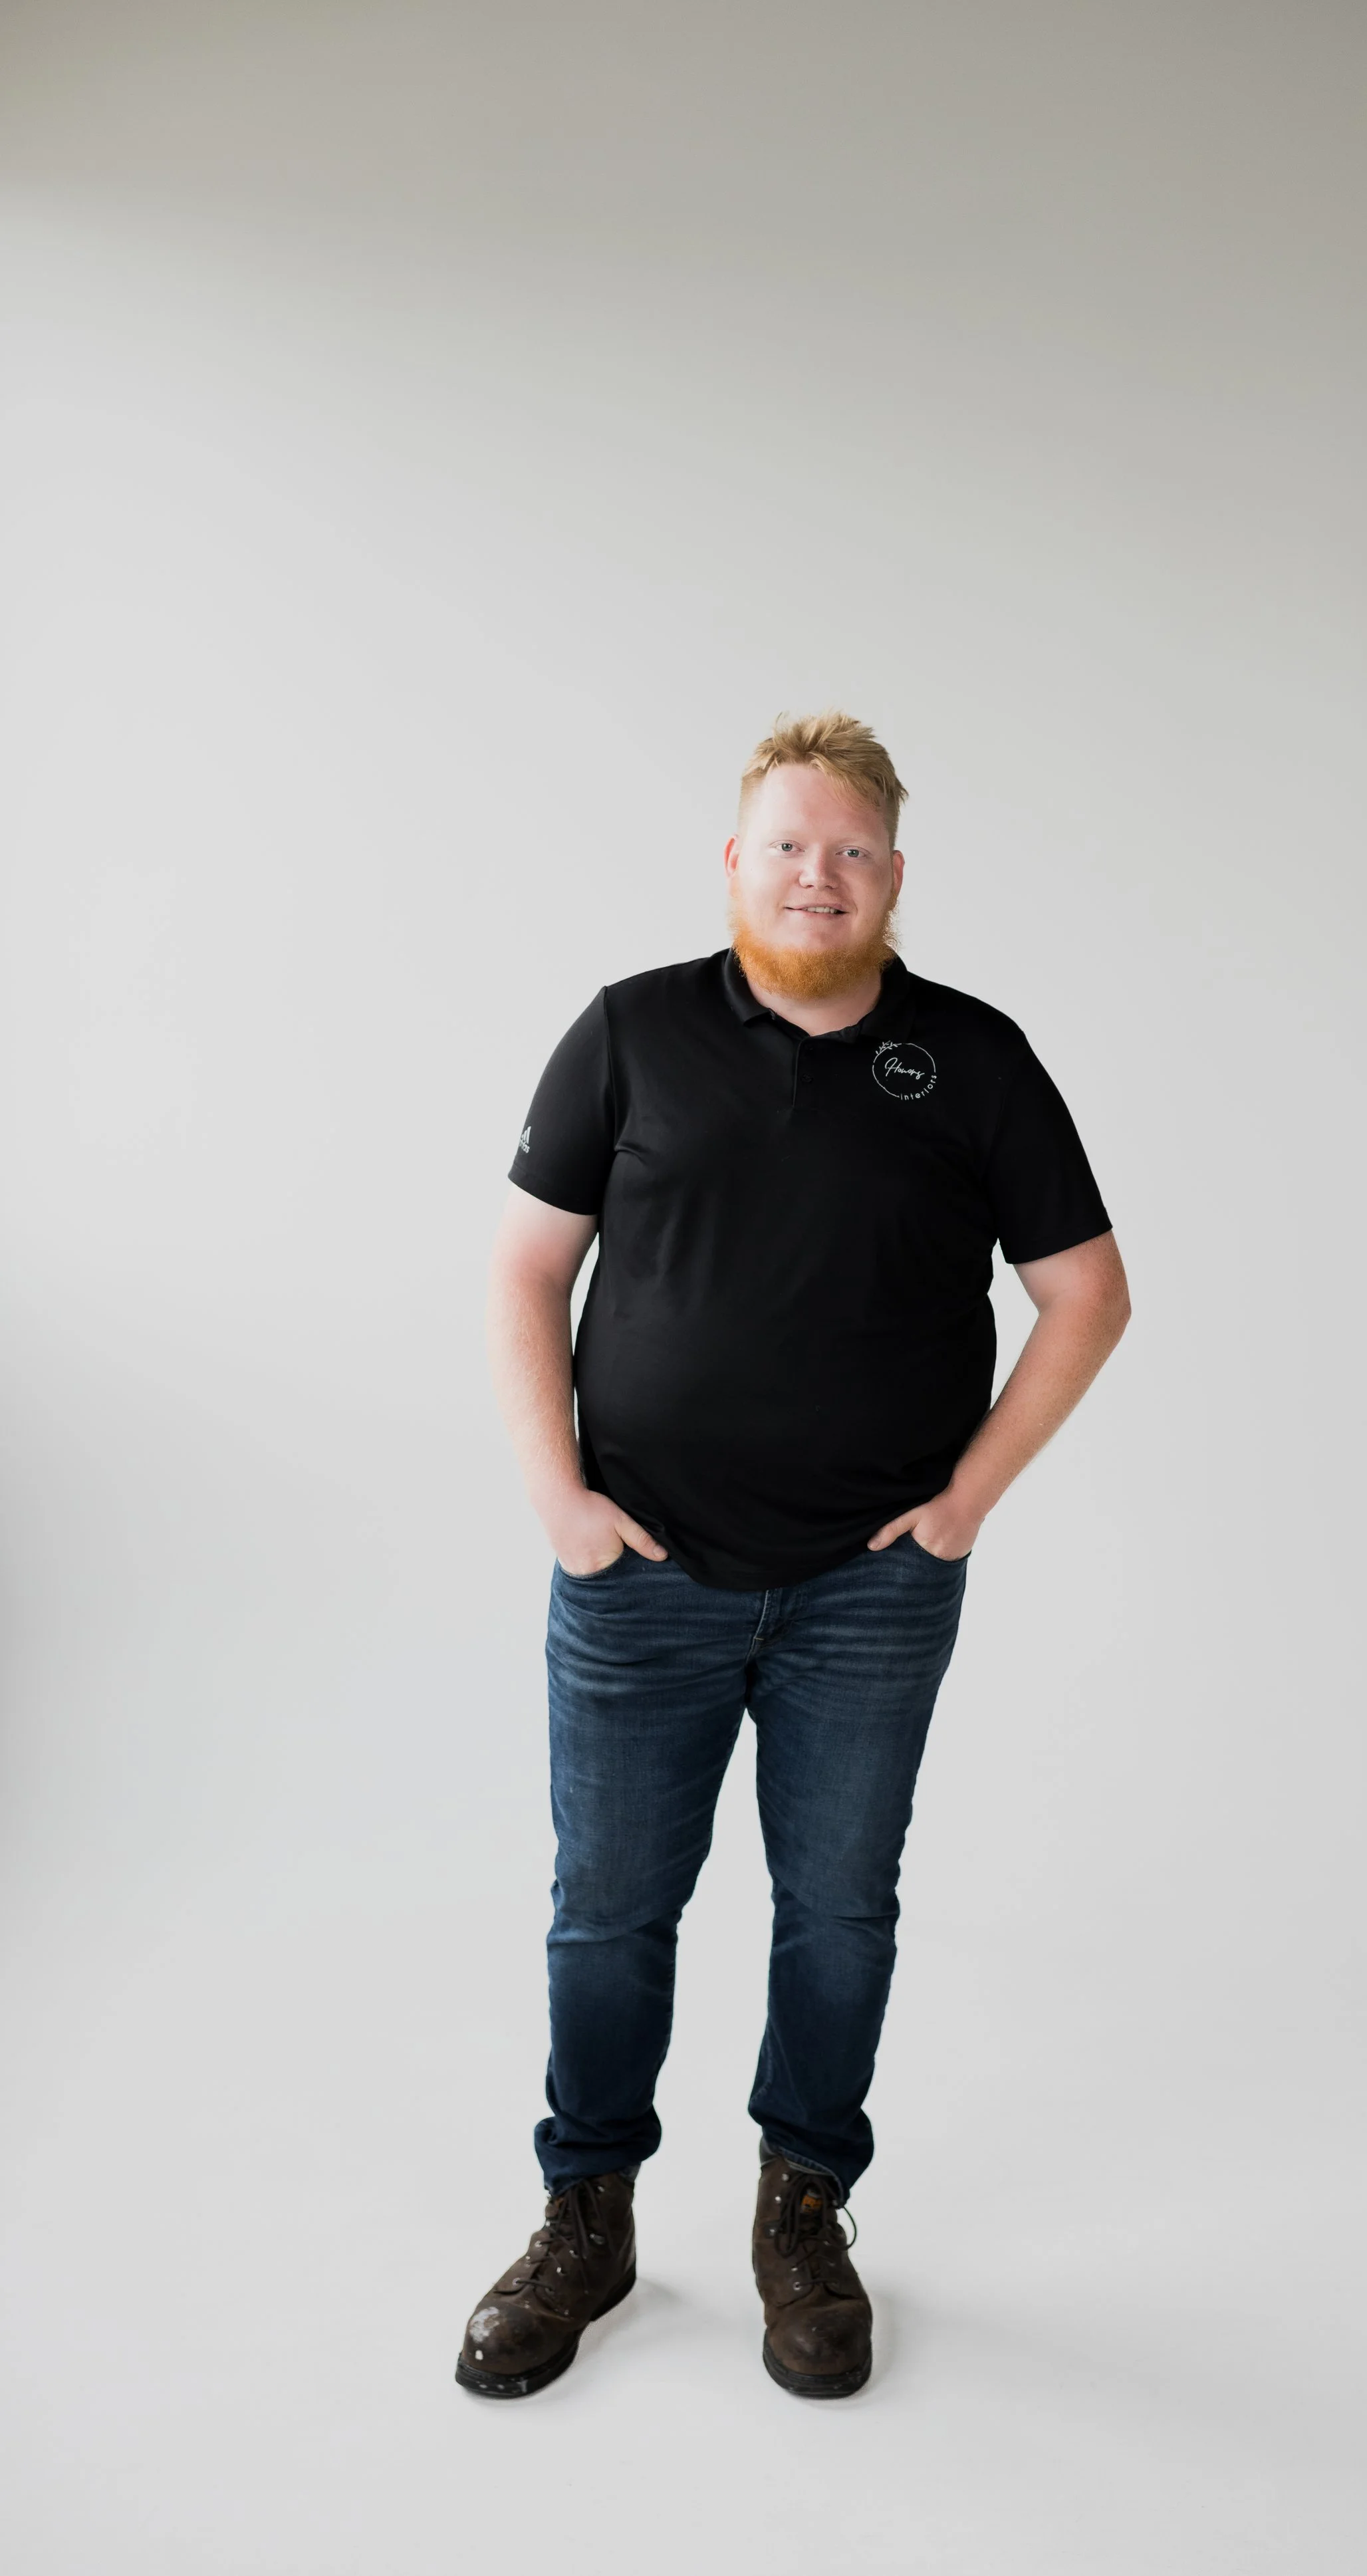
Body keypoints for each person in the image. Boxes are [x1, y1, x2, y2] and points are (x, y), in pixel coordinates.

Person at [455, 711, 1131, 2402]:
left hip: (871, 1589)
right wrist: (558, 1499)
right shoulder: (629, 1034)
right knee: (608, 1912)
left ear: (892, 874)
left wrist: (966, 1498)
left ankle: (802, 2207)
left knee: (837, 1909)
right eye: (785, 844)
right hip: (641, 1578)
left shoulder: (971, 1057)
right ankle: (585, 2211)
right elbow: (526, 1269)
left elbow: (1086, 1291)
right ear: (734, 859)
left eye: (848, 850)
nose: (814, 874)